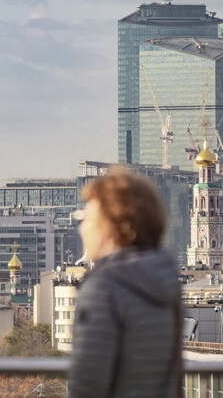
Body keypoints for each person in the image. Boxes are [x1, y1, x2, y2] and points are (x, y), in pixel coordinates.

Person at [68, 168, 181, 398]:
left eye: (86, 218)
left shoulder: (102, 288)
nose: (81, 228)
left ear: (110, 226)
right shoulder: (166, 282)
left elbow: (87, 383)